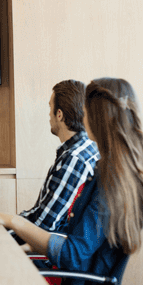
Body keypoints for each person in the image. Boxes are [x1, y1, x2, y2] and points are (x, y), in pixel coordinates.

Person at [0, 77, 143, 285]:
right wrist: (30, 245)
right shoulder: (116, 172)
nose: (82, 117)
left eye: (86, 110)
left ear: (96, 117)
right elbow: (79, 241)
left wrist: (12, 221)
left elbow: (74, 254)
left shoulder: (111, 182)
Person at [18, 80, 100, 232]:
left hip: (50, 248)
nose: (49, 114)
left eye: (50, 107)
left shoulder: (74, 159)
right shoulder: (89, 148)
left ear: (59, 114)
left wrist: (2, 228)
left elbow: (43, 224)